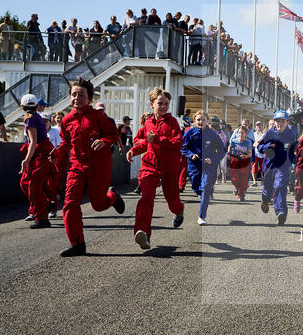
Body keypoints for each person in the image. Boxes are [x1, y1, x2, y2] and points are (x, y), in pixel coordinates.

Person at [49, 78, 126, 257]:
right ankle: (78, 244)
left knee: (98, 205)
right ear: (70, 98)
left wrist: (104, 141)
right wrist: (55, 153)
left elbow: (114, 134)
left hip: (99, 165)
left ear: (89, 99)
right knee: (70, 204)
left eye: (81, 95)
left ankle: (112, 197)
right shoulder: (66, 120)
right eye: (74, 94)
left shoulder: (99, 117)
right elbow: (66, 142)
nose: (77, 98)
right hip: (77, 166)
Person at [126, 87, 185, 250]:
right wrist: (133, 150)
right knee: (146, 198)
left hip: (169, 167)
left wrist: (158, 138)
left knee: (172, 200)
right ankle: (143, 232)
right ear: (152, 104)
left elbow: (178, 143)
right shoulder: (148, 122)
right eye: (160, 103)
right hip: (150, 166)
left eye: (166, 103)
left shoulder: (172, 122)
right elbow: (145, 142)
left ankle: (179, 211)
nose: (164, 106)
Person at [181, 111, 226, 225]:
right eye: (198, 120)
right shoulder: (189, 132)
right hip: (194, 165)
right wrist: (191, 155)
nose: (201, 122)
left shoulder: (212, 134)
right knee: (197, 188)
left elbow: (222, 150)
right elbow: (183, 147)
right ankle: (203, 192)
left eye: (203, 120)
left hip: (208, 165)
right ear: (194, 121)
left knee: (205, 188)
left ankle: (202, 216)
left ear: (207, 121)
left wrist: (213, 159)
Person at [18, 93, 55, 229]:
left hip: (40, 155)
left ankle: (42, 218)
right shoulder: (37, 116)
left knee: (33, 186)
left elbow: (33, 142)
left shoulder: (31, 119)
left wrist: (26, 160)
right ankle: (45, 204)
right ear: (36, 106)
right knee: (25, 183)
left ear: (22, 107)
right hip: (41, 153)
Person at [257, 110, 298, 225]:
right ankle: (265, 201)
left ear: (287, 122)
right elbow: (259, 147)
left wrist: (291, 162)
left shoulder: (290, 134)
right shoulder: (269, 133)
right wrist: (267, 146)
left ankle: (281, 212)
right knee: (268, 187)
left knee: (280, 186)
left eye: (282, 121)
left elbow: (292, 149)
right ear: (274, 122)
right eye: (277, 121)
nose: (280, 123)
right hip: (269, 165)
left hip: (283, 165)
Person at [228, 125, 254, 202]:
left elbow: (250, 154)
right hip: (235, 162)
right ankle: (237, 188)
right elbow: (230, 147)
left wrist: (245, 156)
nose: (241, 134)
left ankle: (241, 195)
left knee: (244, 180)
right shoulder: (234, 141)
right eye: (239, 132)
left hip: (244, 162)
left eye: (243, 133)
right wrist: (229, 154)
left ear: (246, 134)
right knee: (234, 179)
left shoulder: (248, 142)